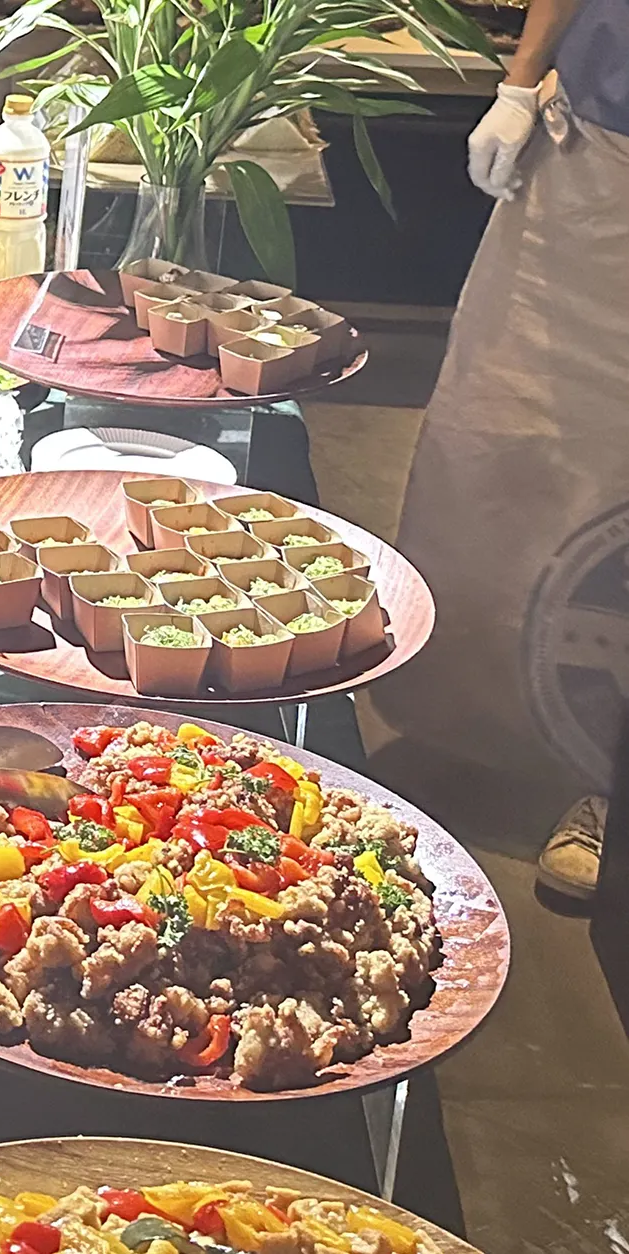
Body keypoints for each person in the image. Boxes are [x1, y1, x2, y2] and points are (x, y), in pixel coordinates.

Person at [368, 0, 628, 900]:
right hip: (599, 148)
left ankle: (607, 790)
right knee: (508, 436)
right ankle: (479, 730)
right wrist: (519, 83)